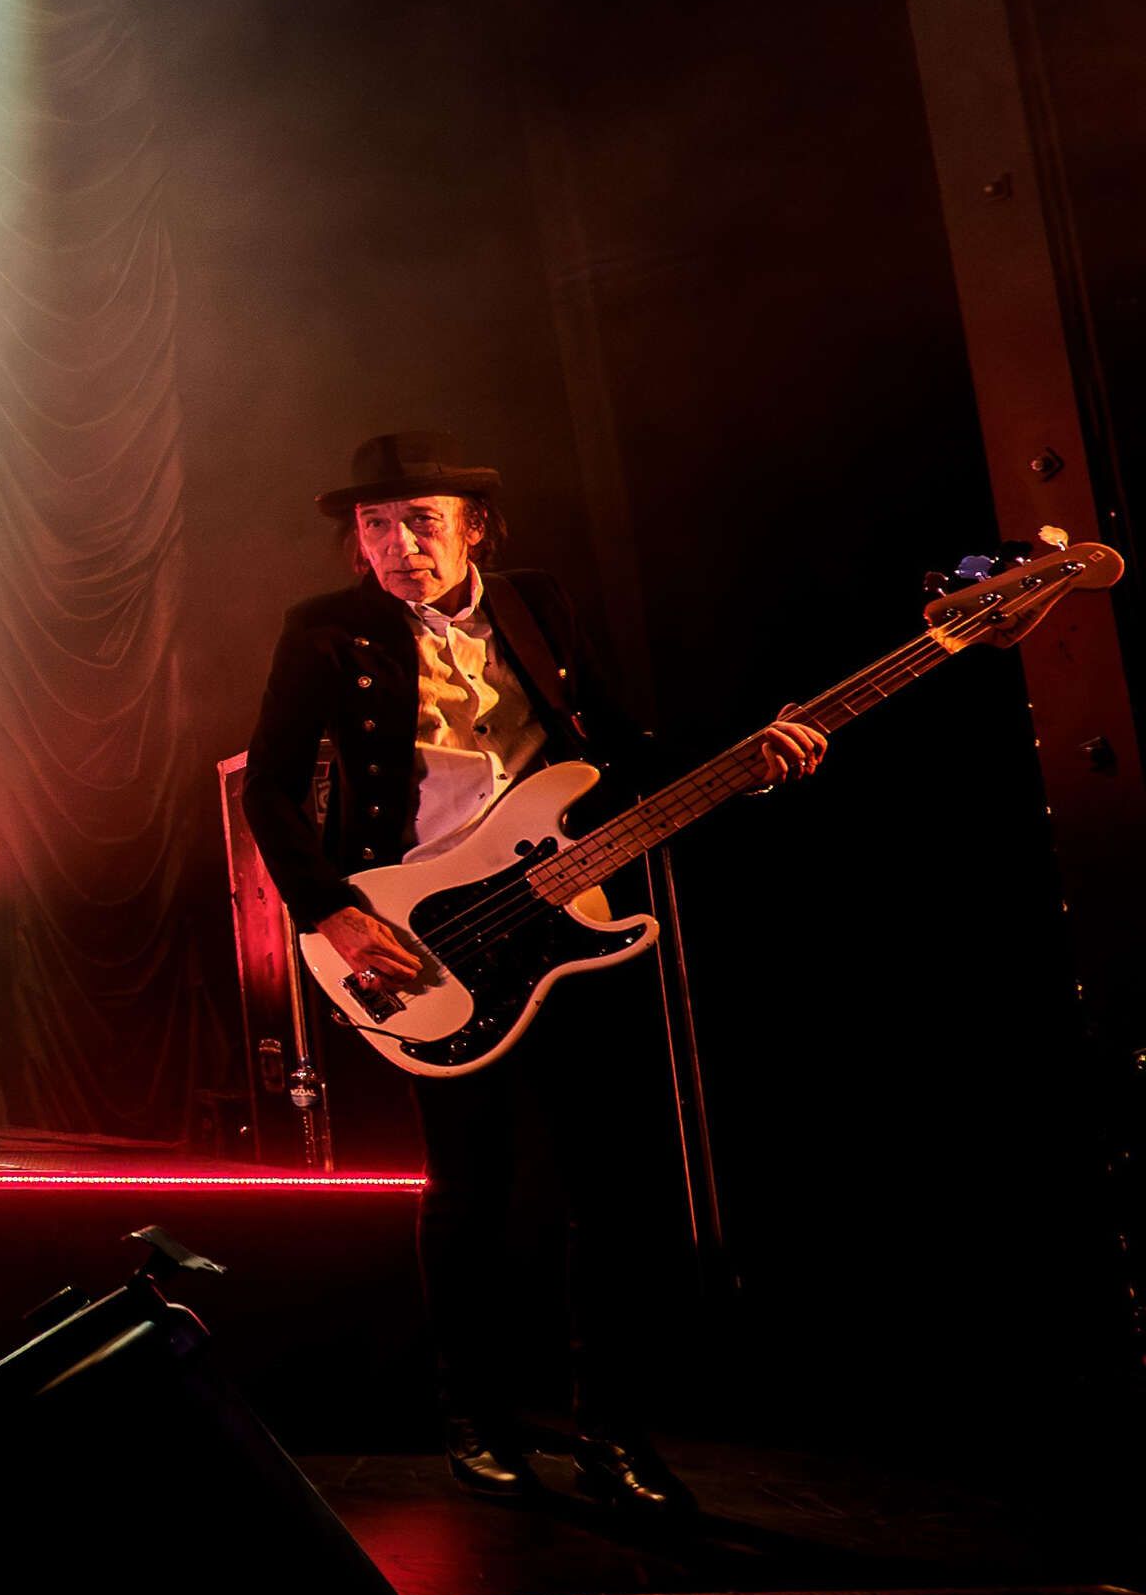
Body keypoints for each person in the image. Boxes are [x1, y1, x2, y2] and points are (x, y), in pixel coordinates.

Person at [239, 431, 821, 1514]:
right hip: (422, 929)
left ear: (475, 528)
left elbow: (620, 746)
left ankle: (613, 1430)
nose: (398, 544)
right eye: (376, 525)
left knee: (614, 1183)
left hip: (565, 909)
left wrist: (746, 762)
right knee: (470, 1182)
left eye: (421, 521)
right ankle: (474, 1416)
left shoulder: (535, 605)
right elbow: (267, 786)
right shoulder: (322, 629)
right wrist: (334, 913)